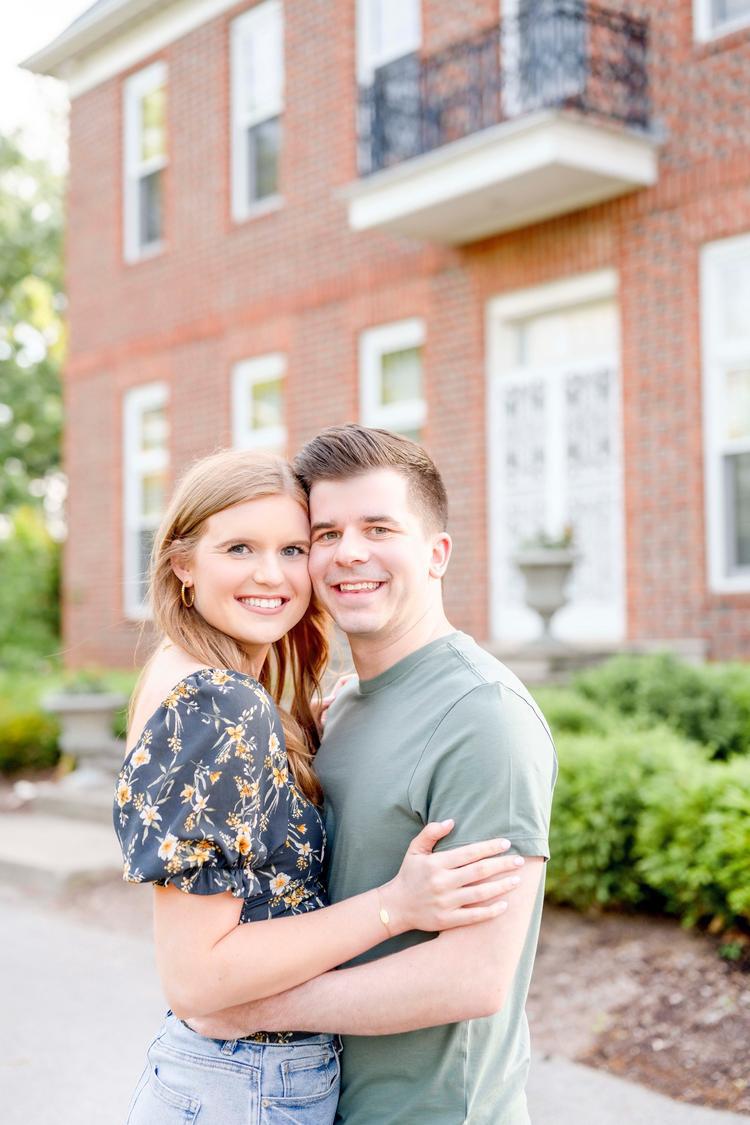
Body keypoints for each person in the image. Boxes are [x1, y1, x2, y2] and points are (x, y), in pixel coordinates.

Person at [113, 448, 523, 1125]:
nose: (271, 574)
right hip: (246, 1085)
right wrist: (395, 906)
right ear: (182, 563)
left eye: (294, 548)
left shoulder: (200, 681)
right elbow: (196, 977)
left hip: (237, 1080)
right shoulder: (219, 704)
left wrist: (296, 743)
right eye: (239, 547)